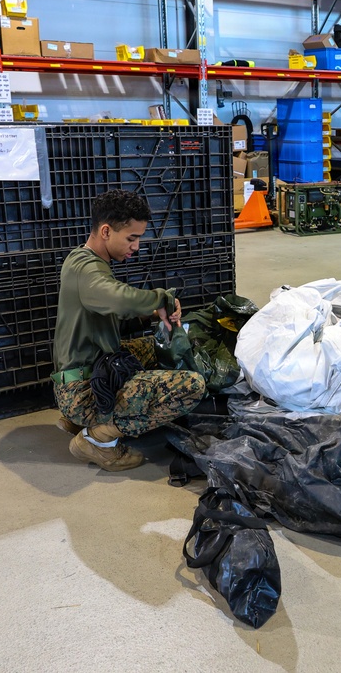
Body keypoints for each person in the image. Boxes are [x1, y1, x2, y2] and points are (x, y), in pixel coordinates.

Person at [52, 189, 206, 471]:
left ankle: (81, 421)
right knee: (191, 386)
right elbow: (119, 299)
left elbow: (111, 315)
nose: (136, 247)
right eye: (131, 238)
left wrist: (153, 314)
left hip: (85, 373)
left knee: (154, 347)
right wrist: (159, 298)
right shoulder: (88, 270)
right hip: (83, 389)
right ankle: (99, 438)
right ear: (107, 231)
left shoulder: (82, 261)